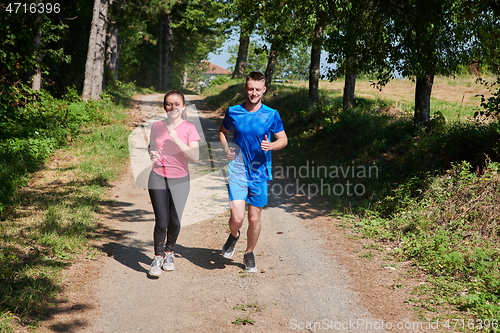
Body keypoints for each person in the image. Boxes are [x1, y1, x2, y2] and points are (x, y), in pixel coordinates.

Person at [218, 71, 288, 272]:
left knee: (254, 218)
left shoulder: (271, 114)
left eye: (258, 89)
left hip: (260, 173)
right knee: (238, 218)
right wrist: (226, 149)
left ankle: (249, 253)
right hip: (238, 170)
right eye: (250, 89)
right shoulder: (234, 111)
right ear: (245, 89)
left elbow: (283, 139)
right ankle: (234, 235)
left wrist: (271, 146)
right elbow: (222, 132)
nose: (254, 93)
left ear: (264, 90)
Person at [148, 90, 201, 276]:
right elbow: (152, 146)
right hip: (158, 177)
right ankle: (156, 258)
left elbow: (195, 156)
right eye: (169, 104)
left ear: (183, 106)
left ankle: (169, 253)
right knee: (161, 221)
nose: (173, 107)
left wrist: (177, 139)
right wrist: (152, 153)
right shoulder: (157, 126)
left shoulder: (189, 128)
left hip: (180, 179)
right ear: (165, 107)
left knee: (175, 220)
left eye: (177, 104)